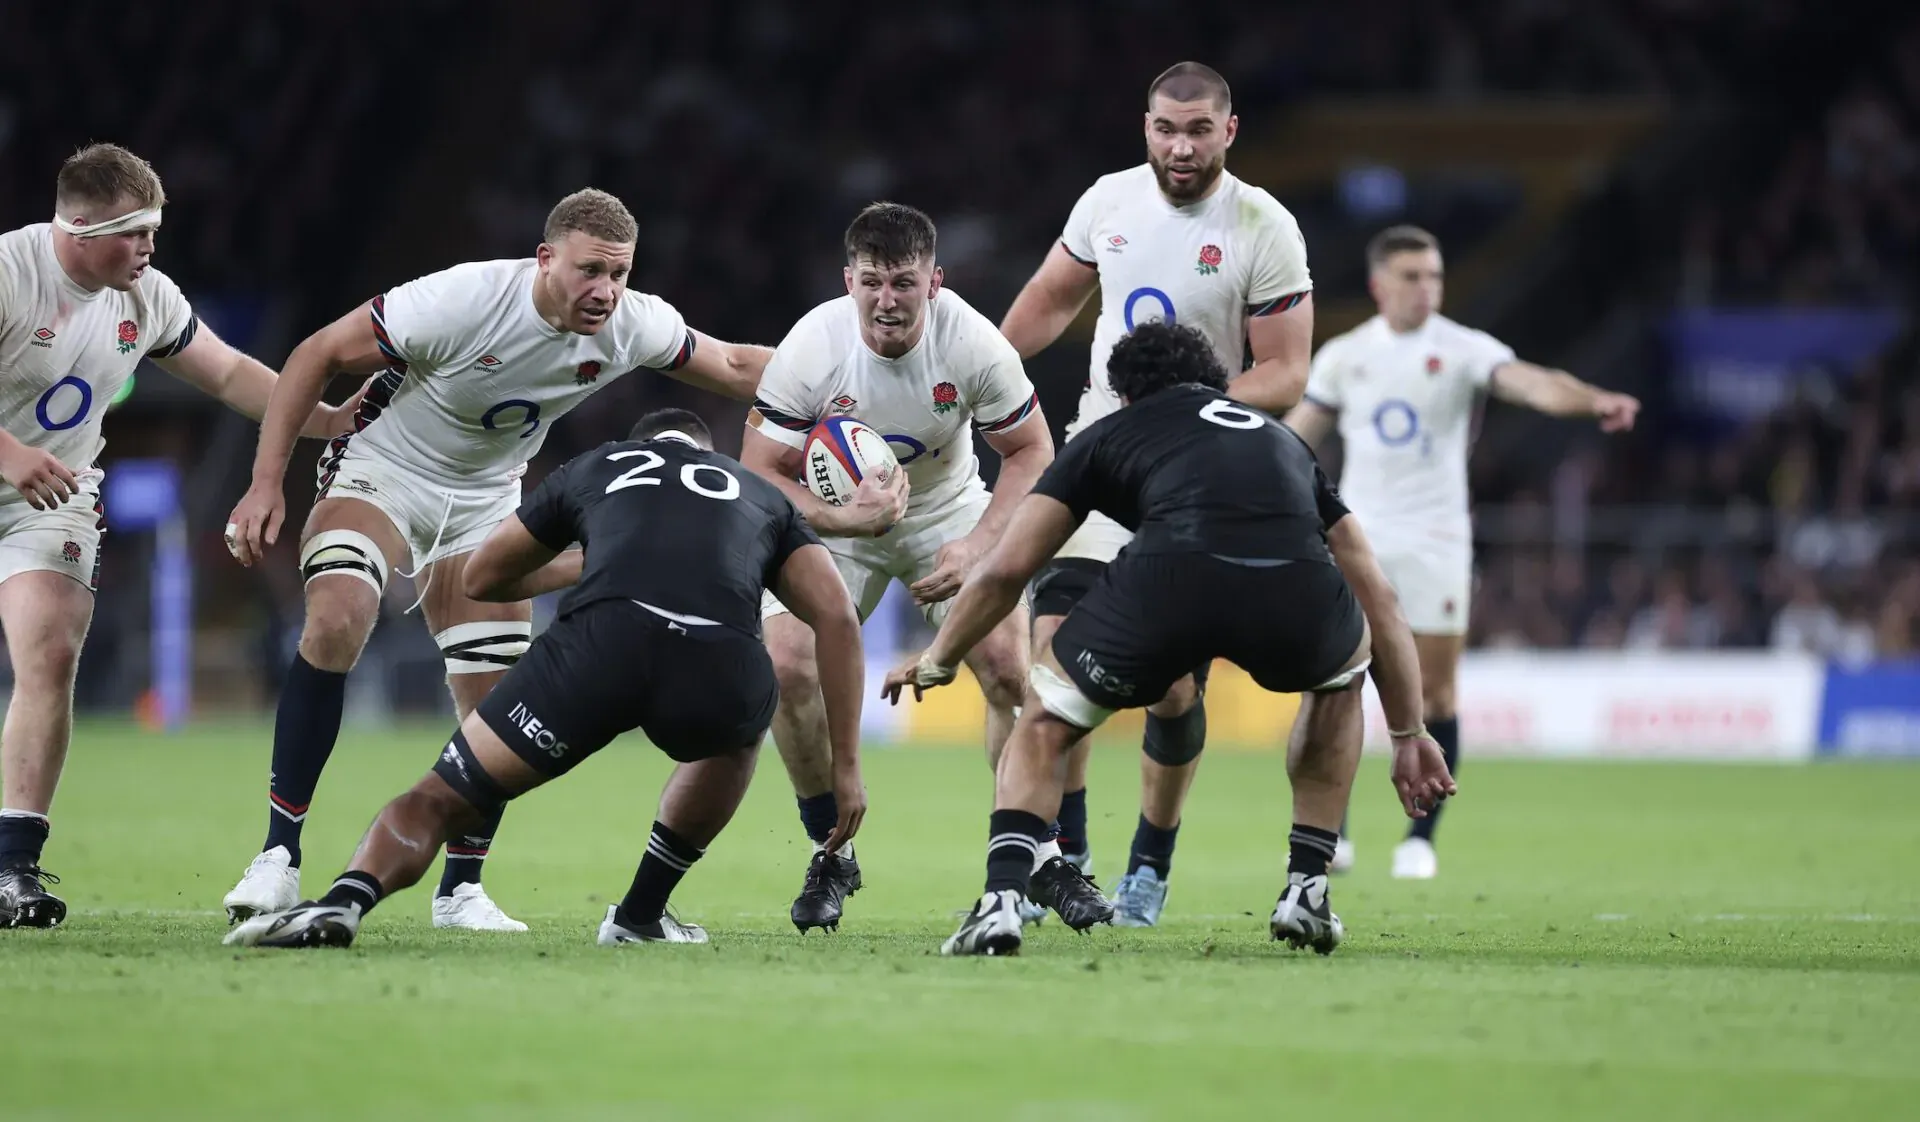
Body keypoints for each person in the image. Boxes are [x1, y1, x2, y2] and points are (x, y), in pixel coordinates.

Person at [221, 189, 772, 930]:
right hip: (384, 468)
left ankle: (461, 890)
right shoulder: (462, 299)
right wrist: (264, 484)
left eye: (619, 273)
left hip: (487, 500)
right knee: (338, 618)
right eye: (589, 271)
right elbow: (318, 353)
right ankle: (279, 858)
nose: (605, 290)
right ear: (545, 260)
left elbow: (738, 365)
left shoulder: (631, 323)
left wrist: (843, 382)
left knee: (499, 706)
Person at [879, 322, 1456, 957]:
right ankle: (1307, 888)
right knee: (1337, 676)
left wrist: (939, 659)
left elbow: (1007, 568)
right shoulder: (1283, 442)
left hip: (1173, 575)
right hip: (1293, 586)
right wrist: (1409, 733)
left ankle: (1000, 901)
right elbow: (1378, 594)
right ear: (1216, 383)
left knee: (1044, 717)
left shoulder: (1111, 433)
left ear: (1123, 394)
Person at [225, 409, 863, 948]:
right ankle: (640, 915)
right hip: (714, 657)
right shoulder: (756, 491)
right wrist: (846, 771)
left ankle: (346, 898)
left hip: (598, 645)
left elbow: (480, 578)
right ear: (709, 454)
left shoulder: (599, 465)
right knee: (740, 728)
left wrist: (590, 562)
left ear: (642, 445)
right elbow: (835, 616)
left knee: (441, 798)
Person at [0, 144, 362, 928]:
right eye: (134, 232)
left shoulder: (147, 296)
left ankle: (12, 868)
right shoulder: (9, 271)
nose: (149, 247)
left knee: (51, 649)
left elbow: (229, 373)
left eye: (154, 231)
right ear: (79, 225)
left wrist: (319, 420)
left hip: (50, 494)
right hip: (17, 464)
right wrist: (11, 453)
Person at [995, 61, 1315, 926]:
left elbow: (1286, 372)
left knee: (1170, 692)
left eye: (1198, 131)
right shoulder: (1106, 202)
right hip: (1099, 460)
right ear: (1145, 127)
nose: (1180, 147)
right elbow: (1050, 304)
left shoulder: (1263, 225)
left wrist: (1186, 406)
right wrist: (972, 378)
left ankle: (1152, 856)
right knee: (1056, 662)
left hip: (1199, 476)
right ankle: (1060, 860)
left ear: (1229, 131)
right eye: (1166, 130)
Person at [741, 202, 1098, 933]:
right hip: (838, 521)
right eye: (871, 282)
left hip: (947, 511)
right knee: (786, 667)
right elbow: (760, 471)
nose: (886, 300)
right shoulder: (812, 345)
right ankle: (828, 850)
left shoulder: (974, 344)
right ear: (849, 281)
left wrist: (980, 546)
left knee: (1007, 668)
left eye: (904, 282)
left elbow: (1032, 451)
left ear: (936, 281)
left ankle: (1033, 852)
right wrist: (845, 518)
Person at [1284, 225, 1639, 879]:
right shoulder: (1346, 355)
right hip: (1358, 537)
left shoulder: (1464, 348)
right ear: (1379, 284)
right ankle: (1336, 832)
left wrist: (1593, 400)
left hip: (1438, 540)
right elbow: (1297, 436)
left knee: (1437, 693)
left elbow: (1532, 383)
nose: (1428, 289)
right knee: (1339, 681)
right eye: (1413, 276)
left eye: (1436, 276)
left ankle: (1420, 839)